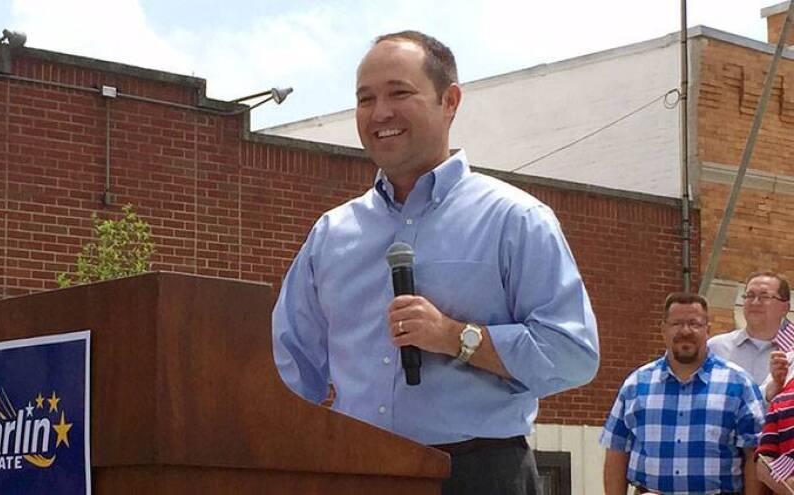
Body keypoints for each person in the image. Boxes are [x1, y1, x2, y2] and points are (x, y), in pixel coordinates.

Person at [271, 30, 600, 495]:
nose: (379, 112)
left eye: (399, 93)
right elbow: (288, 367)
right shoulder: (331, 234)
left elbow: (573, 355)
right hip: (355, 471)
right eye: (365, 99)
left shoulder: (515, 219)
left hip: (478, 473)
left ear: (450, 101)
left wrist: (457, 337)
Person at [601, 292, 765, 495]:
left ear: (707, 330)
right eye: (677, 323)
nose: (685, 331)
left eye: (694, 324)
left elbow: (754, 456)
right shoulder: (636, 385)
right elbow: (617, 452)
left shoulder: (740, 385)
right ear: (663, 330)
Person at [708, 271, 792, 400]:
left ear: (785, 308)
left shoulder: (791, 353)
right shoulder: (715, 348)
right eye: (749, 295)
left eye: (764, 296)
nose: (755, 302)